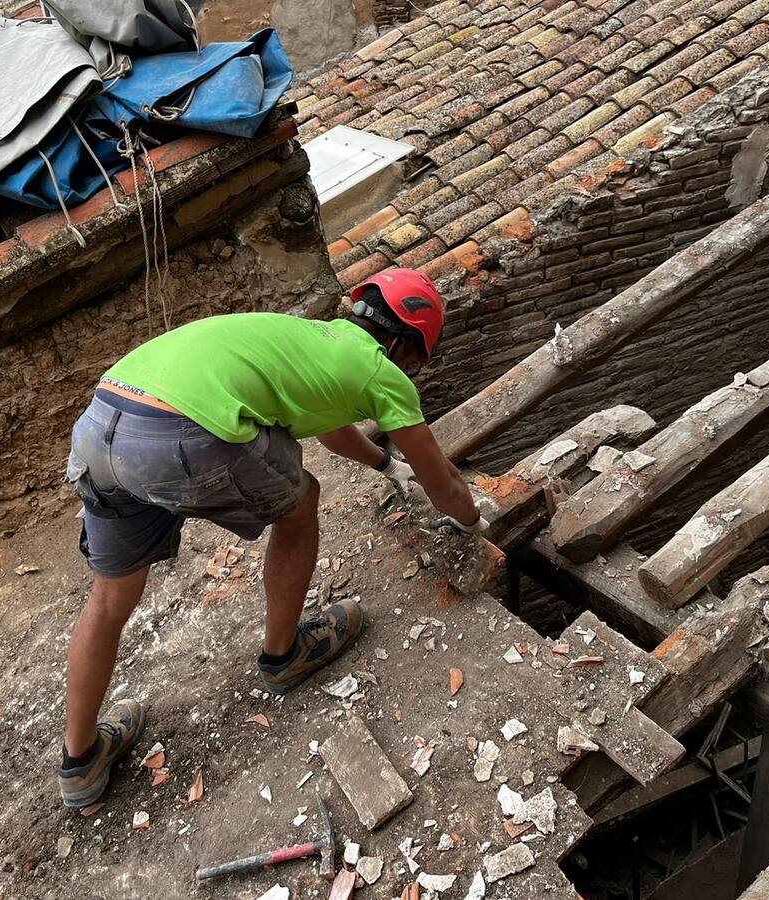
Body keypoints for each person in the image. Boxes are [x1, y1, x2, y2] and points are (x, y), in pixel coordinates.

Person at [57, 268, 487, 808]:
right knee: (301, 502)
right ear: (405, 345)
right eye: (416, 361)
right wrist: (471, 522)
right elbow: (443, 484)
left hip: (104, 419)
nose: (410, 371)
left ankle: (80, 764)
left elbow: (333, 429)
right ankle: (285, 656)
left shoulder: (310, 342)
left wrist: (384, 464)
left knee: (109, 598)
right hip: (180, 432)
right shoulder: (380, 371)